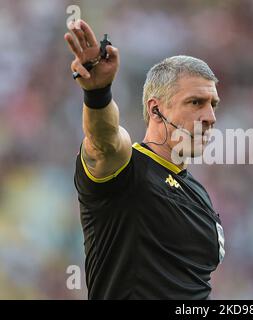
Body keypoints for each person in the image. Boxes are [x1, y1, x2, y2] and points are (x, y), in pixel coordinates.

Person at [64, 19, 225, 299]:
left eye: (213, 105)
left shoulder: (197, 193)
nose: (210, 118)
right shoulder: (128, 170)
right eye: (196, 102)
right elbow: (105, 142)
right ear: (156, 110)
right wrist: (98, 94)